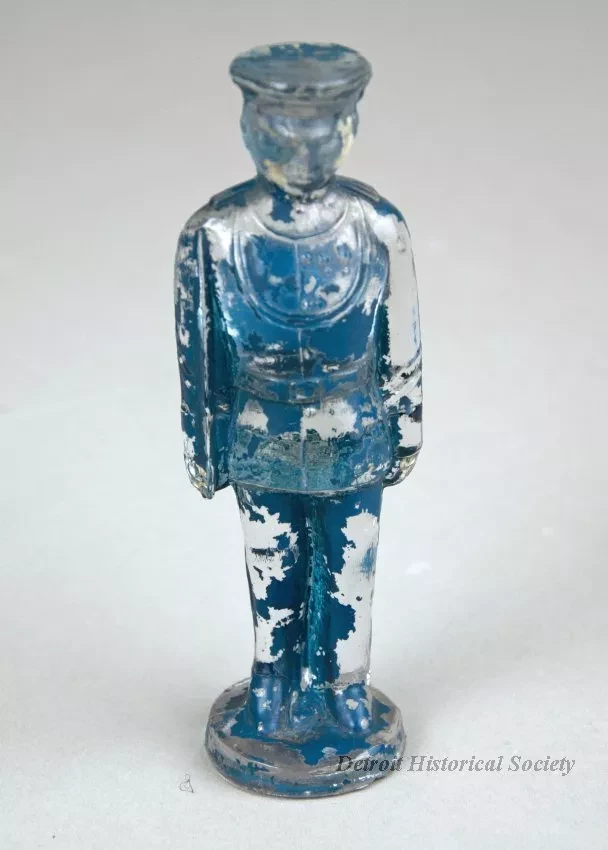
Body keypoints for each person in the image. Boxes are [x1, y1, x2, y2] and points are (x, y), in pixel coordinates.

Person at [174, 43, 422, 788]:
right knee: (271, 560)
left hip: (355, 432)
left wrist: (407, 427)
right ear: (249, 126)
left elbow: (402, 341)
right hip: (261, 434)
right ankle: (273, 683)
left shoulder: (378, 227)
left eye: (321, 126)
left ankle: (344, 687)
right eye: (280, 126)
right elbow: (198, 355)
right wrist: (203, 445)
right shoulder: (216, 234)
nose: (301, 146)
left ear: (350, 125)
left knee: (350, 566)